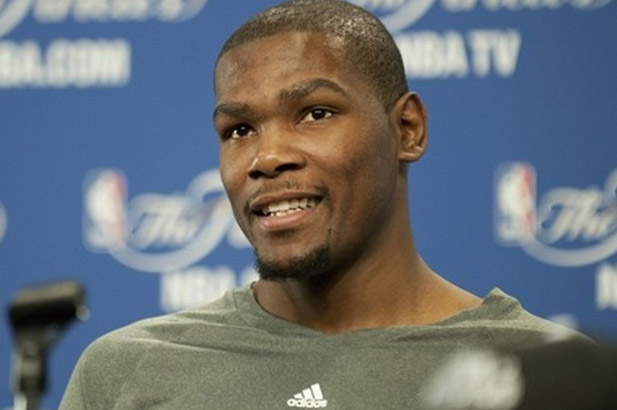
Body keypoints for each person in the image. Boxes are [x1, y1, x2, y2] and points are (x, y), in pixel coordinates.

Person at [59, 1, 581, 409]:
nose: (267, 157)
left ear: (407, 129)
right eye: (239, 129)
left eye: (315, 113)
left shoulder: (549, 376)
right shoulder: (125, 373)